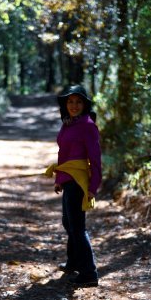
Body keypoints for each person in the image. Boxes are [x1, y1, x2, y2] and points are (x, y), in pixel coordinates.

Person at [45, 84, 102, 286]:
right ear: (65, 104)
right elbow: (63, 153)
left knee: (77, 227)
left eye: (78, 101)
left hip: (78, 182)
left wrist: (93, 187)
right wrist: (59, 178)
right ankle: (73, 262)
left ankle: (89, 273)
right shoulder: (69, 123)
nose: (74, 105)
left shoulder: (88, 126)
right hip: (68, 180)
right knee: (68, 223)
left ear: (85, 104)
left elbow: (95, 159)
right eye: (70, 101)